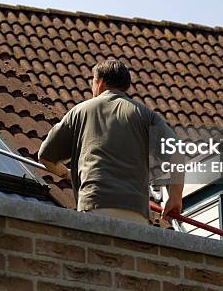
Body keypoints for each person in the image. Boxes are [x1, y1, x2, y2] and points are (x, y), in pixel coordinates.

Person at [38, 59, 184, 224]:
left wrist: (66, 174)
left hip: (94, 203)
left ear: (99, 83)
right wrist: (175, 197)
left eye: (93, 82)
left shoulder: (79, 112)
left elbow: (45, 156)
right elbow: (176, 151)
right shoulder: (145, 115)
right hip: (136, 211)